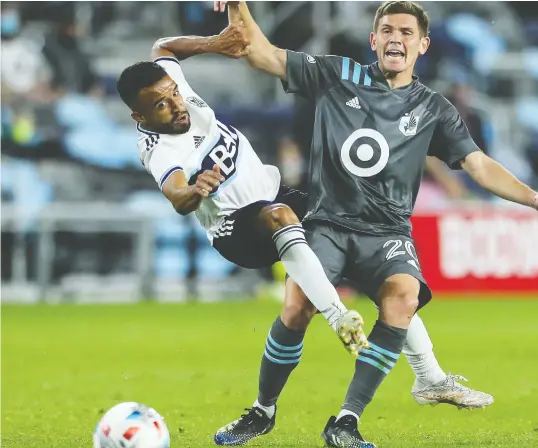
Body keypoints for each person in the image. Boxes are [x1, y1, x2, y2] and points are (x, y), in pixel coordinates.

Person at [211, 1, 538, 448]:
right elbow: (261, 52)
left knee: (403, 299)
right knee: (296, 308)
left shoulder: (433, 108)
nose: (396, 38)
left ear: (422, 45)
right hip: (327, 222)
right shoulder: (336, 73)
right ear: (374, 39)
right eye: (387, 30)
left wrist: (533, 197)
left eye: (407, 32)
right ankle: (262, 411)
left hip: (388, 233)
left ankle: (346, 421)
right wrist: (238, 5)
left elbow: (478, 164)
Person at [115, 23, 370, 357]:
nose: (177, 105)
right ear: (140, 115)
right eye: (161, 105)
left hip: (273, 192)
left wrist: (215, 42)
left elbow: (163, 47)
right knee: (279, 216)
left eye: (174, 93)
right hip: (235, 231)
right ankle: (339, 319)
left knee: (362, 241)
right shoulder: (159, 148)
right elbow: (177, 197)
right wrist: (195, 189)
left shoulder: (169, 85)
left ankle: (428, 373)